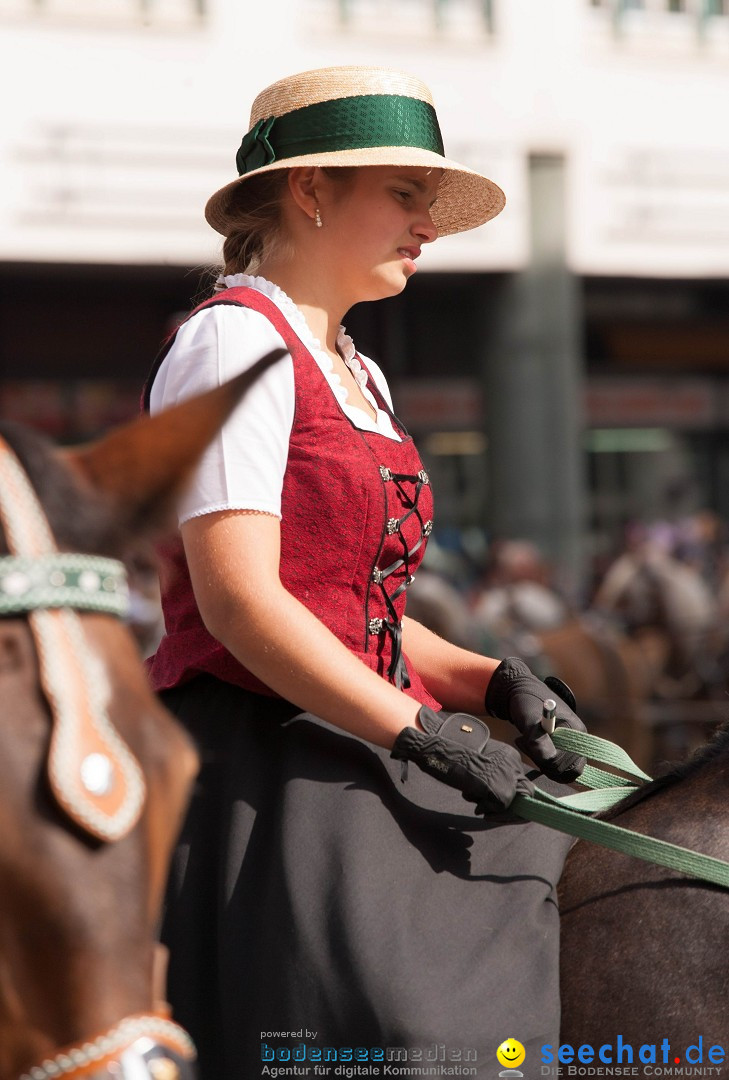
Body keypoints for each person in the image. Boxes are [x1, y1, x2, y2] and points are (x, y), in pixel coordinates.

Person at [143, 65, 586, 1078]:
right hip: (266, 750)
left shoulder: (357, 367)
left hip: (363, 723)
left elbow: (353, 607)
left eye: (427, 199)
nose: (426, 221)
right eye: (404, 192)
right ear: (310, 190)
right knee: (423, 1027)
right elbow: (244, 605)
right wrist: (421, 732)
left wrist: (489, 679)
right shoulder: (229, 344)